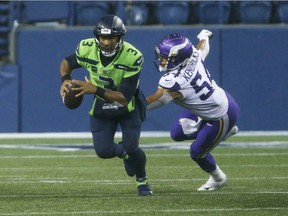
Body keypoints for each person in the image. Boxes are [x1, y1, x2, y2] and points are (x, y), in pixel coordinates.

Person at [59, 14, 152, 196]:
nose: (107, 42)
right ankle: (124, 154)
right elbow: (66, 62)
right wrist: (65, 79)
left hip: (128, 103)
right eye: (103, 37)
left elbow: (123, 98)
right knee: (103, 151)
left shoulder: (132, 56)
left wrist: (94, 89)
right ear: (97, 37)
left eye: (111, 38)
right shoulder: (87, 48)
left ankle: (142, 181)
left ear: (120, 38)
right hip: (102, 101)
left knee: (133, 146)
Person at [146, 30, 239, 191]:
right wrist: (204, 36)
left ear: (179, 58)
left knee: (196, 152)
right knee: (177, 133)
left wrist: (131, 106)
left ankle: (218, 178)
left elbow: (159, 99)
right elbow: (202, 48)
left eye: (165, 57)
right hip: (211, 104)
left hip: (221, 115)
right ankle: (222, 134)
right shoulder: (192, 57)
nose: (161, 60)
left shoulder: (175, 81)